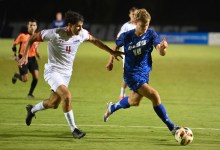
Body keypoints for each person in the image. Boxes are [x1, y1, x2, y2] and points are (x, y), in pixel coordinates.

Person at [18, 10, 123, 139]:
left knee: (53, 103)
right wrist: (24, 56)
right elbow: (33, 38)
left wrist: (111, 52)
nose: (81, 28)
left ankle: (32, 110)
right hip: (53, 71)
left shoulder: (82, 34)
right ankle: (74, 129)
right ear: (69, 25)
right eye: (78, 26)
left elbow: (95, 41)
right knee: (67, 96)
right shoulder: (54, 34)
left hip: (66, 74)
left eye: (82, 25)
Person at [104, 8, 180, 135]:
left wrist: (163, 48)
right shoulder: (127, 36)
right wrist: (110, 60)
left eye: (147, 25)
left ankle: (112, 107)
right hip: (131, 74)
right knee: (155, 95)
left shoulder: (151, 34)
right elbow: (115, 46)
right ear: (136, 23)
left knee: (134, 101)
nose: (145, 27)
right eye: (142, 25)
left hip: (144, 73)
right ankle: (172, 127)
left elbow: (160, 52)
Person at [106, 7, 137, 100]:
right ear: (129, 15)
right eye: (133, 14)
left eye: (136, 14)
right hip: (127, 55)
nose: (134, 16)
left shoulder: (140, 25)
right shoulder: (126, 26)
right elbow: (118, 40)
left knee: (137, 73)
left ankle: (134, 92)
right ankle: (122, 93)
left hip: (139, 54)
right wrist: (111, 60)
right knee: (128, 74)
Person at [12, 18, 41, 99]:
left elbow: (35, 47)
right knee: (25, 79)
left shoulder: (37, 37)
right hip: (23, 58)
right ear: (28, 26)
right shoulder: (22, 36)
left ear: (36, 26)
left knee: (36, 77)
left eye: (34, 25)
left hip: (32, 59)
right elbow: (14, 45)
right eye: (31, 25)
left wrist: (38, 54)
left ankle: (30, 94)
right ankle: (16, 75)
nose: (32, 27)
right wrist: (15, 55)